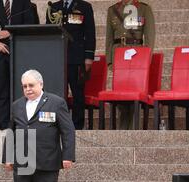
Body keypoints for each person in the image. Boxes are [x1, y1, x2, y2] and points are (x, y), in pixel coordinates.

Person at [4, 70, 75, 182]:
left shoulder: (56, 103)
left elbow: (67, 131)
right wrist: (8, 157)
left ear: (41, 85)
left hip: (47, 160)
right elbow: (11, 132)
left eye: (31, 85)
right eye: (25, 86)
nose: (28, 89)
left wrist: (68, 155)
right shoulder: (17, 105)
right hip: (23, 159)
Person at [46, 0, 96, 130]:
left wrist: (89, 57)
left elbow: (90, 34)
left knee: (77, 93)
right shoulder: (53, 7)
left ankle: (77, 126)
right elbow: (48, 32)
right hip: (58, 57)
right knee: (56, 94)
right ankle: (58, 125)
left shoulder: (84, 7)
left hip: (77, 57)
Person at [105, 0, 155, 129]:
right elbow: (109, 38)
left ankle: (133, 129)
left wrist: (146, 60)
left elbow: (150, 37)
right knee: (121, 96)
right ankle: (122, 129)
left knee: (134, 93)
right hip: (118, 55)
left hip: (137, 55)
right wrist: (109, 60)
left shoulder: (144, 9)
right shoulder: (112, 10)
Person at [0, 0, 35, 129]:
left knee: (21, 89)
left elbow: (30, 23)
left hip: (20, 50)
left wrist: (11, 32)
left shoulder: (24, 2)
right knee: (2, 89)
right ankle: (3, 125)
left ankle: (20, 124)